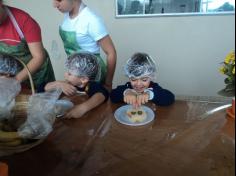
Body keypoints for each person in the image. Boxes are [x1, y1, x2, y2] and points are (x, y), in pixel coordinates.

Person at [53, 0, 116, 89]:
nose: (54, 4)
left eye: (59, 0)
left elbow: (111, 53)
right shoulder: (67, 16)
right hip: (76, 74)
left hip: (93, 77)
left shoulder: (91, 20)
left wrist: (108, 83)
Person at [0, 1, 55, 92]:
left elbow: (39, 57)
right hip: (9, 75)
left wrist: (15, 81)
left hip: (37, 75)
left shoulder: (23, 20)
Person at [45, 52, 109, 118]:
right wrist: (58, 84)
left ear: (83, 79)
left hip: (88, 120)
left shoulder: (91, 86)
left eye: (70, 74)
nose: (65, 74)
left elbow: (103, 94)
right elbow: (44, 87)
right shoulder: (67, 84)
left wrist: (83, 108)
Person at [110, 52, 175, 108]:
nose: (138, 84)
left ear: (151, 77)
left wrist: (150, 94)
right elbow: (112, 96)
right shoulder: (128, 87)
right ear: (129, 77)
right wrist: (126, 92)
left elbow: (170, 98)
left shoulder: (154, 87)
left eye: (144, 80)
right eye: (133, 79)